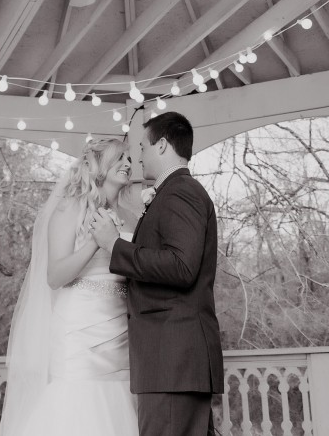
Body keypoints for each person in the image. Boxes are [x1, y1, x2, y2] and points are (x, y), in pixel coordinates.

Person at [92, 111, 224, 436]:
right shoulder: (173, 193)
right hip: (171, 363)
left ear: (162, 145)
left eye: (142, 147)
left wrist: (114, 246)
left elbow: (182, 267)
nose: (138, 156)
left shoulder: (181, 192)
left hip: (172, 361)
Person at [0, 137, 141, 436]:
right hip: (80, 328)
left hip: (122, 327)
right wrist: (96, 241)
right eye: (120, 158)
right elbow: (55, 276)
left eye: (129, 159)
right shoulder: (69, 208)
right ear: (99, 166)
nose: (128, 164)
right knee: (80, 405)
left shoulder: (132, 215)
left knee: (119, 405)